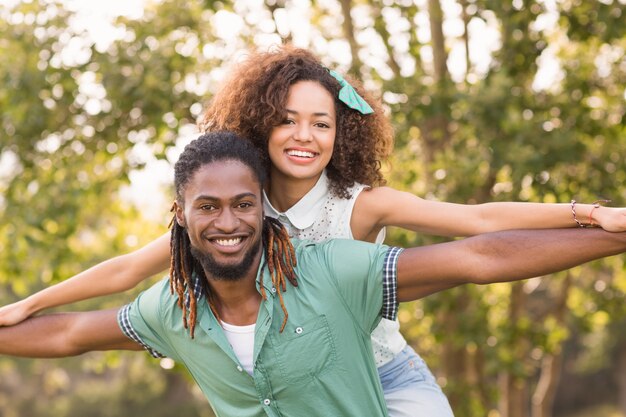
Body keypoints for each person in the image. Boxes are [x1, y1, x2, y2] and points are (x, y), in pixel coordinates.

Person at [2, 46, 626, 416]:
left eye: (321, 124)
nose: (305, 136)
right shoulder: (238, 212)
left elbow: (478, 229)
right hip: (300, 378)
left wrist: (592, 216)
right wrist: (32, 302)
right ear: (259, 126)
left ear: (341, 133)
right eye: (289, 121)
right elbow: (126, 269)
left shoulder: (362, 205)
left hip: (385, 374)